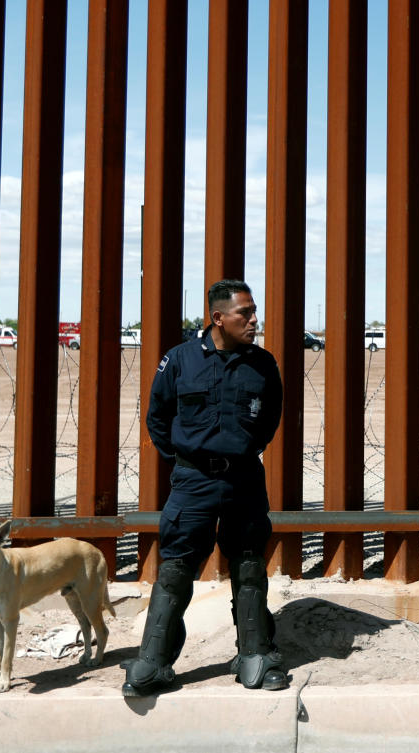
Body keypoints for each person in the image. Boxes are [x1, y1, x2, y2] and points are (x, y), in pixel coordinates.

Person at [122, 279, 289, 696]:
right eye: (244, 313)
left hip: (244, 478)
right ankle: (152, 664)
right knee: (176, 569)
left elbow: (269, 419)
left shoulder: (263, 364)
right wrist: (189, 459)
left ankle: (253, 656)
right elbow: (157, 418)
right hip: (193, 481)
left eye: (253, 311)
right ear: (218, 318)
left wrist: (238, 451)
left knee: (249, 566)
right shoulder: (179, 360)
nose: (254, 320)